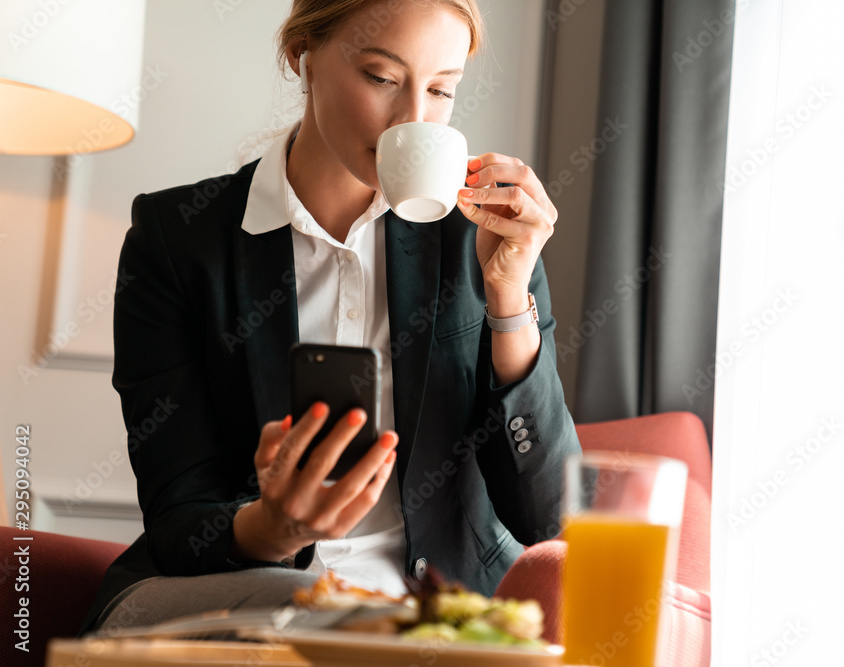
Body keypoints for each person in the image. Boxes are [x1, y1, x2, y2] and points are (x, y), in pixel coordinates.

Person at [79, 0, 579, 636]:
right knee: (317, 604)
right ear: (302, 57)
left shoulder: (488, 241)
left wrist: (509, 301)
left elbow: (551, 520)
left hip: (429, 622)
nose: (413, 119)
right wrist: (272, 525)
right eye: (381, 77)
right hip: (229, 604)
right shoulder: (178, 244)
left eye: (441, 90)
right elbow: (179, 520)